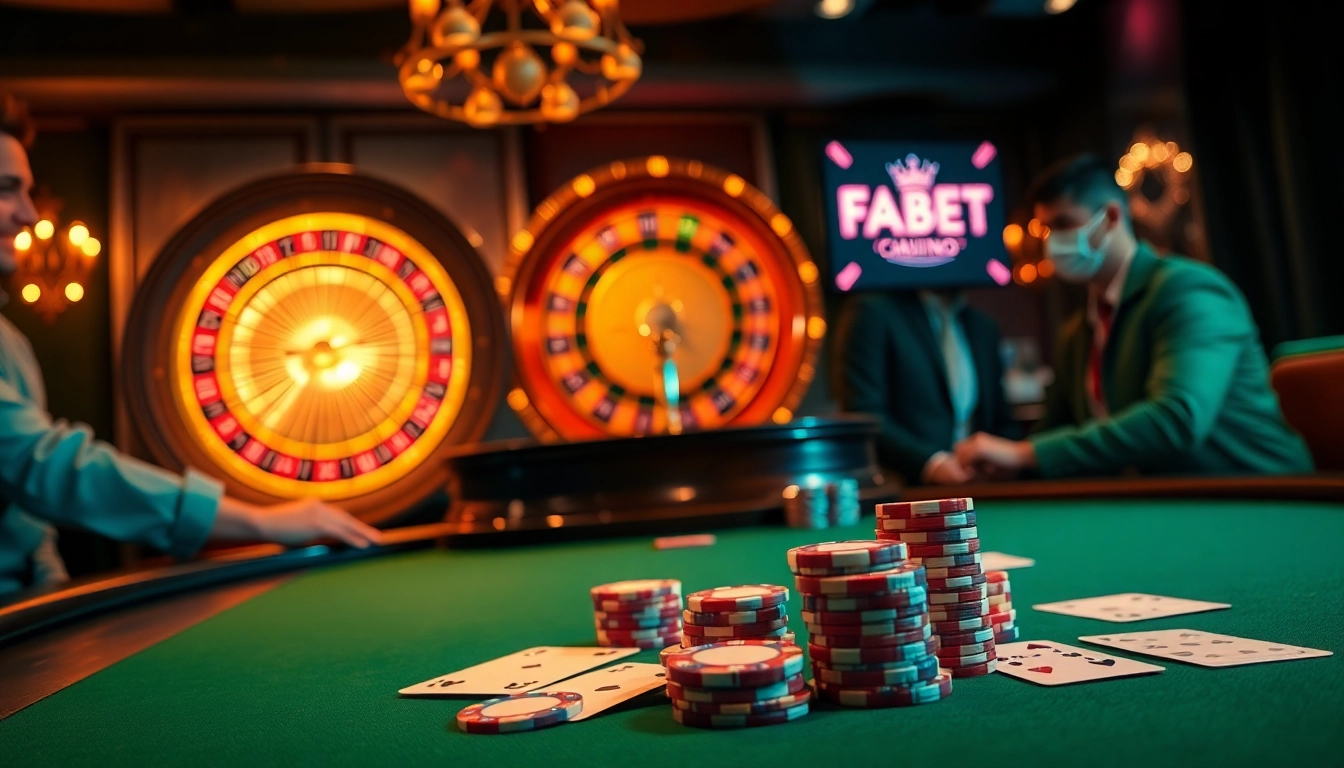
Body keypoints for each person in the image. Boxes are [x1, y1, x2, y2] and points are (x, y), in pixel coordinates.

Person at [0, 93, 382, 596]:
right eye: (7, 189)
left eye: (28, 192)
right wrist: (260, 524)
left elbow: (24, 511)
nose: (29, 215)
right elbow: (44, 466)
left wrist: (47, 588)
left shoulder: (11, 341)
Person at [954, 153, 1313, 479]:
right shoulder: (1079, 330)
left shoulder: (1189, 290)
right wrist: (997, 465)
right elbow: (1054, 433)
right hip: (1163, 505)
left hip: (1262, 495)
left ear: (1111, 217)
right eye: (1046, 229)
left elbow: (1177, 419)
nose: (1052, 242)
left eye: (1063, 224)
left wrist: (1022, 453)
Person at [837, 288, 1020, 486]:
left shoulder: (983, 327)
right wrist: (932, 463)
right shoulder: (873, 311)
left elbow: (1001, 419)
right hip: (908, 490)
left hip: (982, 489)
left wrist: (1002, 459)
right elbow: (865, 415)